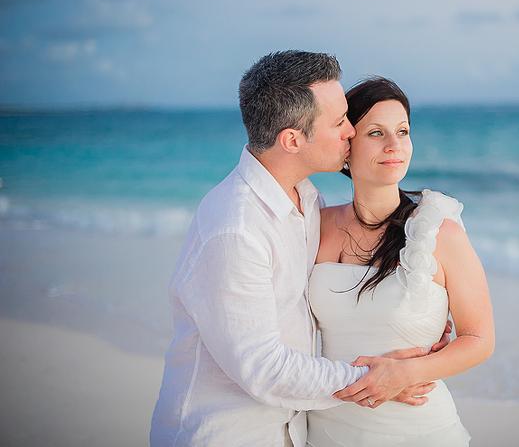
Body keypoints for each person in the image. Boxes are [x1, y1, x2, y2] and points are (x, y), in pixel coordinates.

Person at [150, 52, 437, 447]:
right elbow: (263, 367)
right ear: (292, 140)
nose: (351, 132)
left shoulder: (307, 201)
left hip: (292, 430)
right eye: (339, 122)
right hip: (228, 434)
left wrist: (416, 316)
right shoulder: (236, 229)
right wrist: (375, 380)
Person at [307, 77, 495, 446]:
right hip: (327, 427)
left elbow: (480, 340)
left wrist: (405, 373)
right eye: (376, 132)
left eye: (403, 131)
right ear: (347, 144)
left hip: (418, 431)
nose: (394, 145)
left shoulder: (440, 234)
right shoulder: (317, 225)